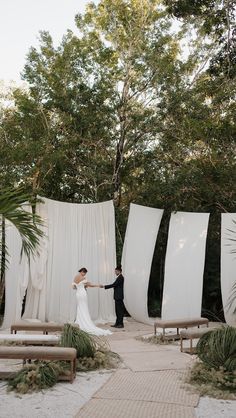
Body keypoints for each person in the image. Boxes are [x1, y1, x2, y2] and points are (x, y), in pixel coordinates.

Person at [73, 267, 112, 336]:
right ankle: (85, 323)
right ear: (82, 271)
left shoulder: (75, 277)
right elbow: (90, 285)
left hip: (78, 294)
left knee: (80, 307)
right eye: (84, 273)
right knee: (84, 307)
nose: (84, 274)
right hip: (83, 294)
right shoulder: (83, 278)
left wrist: (81, 286)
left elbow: (74, 287)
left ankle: (79, 322)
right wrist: (98, 285)